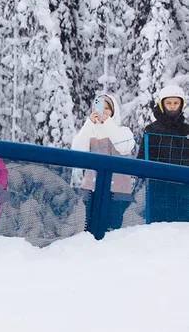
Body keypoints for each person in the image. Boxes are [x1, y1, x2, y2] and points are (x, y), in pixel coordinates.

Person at [70, 94, 134, 233]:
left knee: (113, 232)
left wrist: (108, 123)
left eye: (107, 108)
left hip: (118, 191)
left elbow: (124, 147)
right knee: (91, 230)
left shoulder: (124, 131)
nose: (103, 112)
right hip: (92, 190)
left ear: (113, 110)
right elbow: (77, 151)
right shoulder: (89, 132)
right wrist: (89, 124)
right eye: (100, 108)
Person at [139, 84, 189, 222]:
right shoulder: (152, 130)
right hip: (159, 187)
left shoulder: (186, 130)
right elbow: (142, 157)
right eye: (168, 103)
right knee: (160, 226)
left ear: (181, 105)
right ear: (162, 105)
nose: (172, 106)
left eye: (176, 103)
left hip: (185, 188)